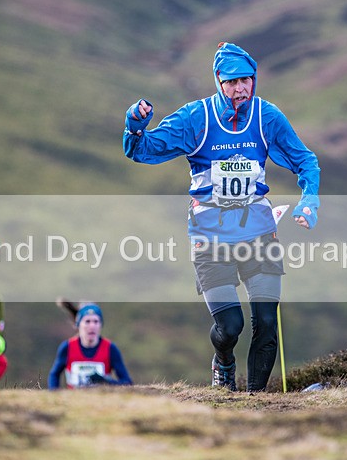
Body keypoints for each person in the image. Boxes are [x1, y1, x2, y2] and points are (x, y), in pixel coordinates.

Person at [123, 42, 320, 392]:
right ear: (218, 81)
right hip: (210, 236)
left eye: (246, 80)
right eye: (232, 82)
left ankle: (255, 400)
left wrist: (309, 200)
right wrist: (134, 125)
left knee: (266, 322)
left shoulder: (267, 117)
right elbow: (140, 150)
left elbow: (305, 160)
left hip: (259, 232)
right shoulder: (195, 118)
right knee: (231, 326)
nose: (240, 88)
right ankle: (223, 361)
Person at [48, 303, 133, 389]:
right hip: (74, 400)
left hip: (101, 400)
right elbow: (54, 374)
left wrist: (106, 381)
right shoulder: (67, 347)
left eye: (96, 322)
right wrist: (55, 395)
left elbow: (127, 382)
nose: (92, 326)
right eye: (87, 321)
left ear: (100, 325)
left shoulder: (110, 348)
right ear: (78, 324)